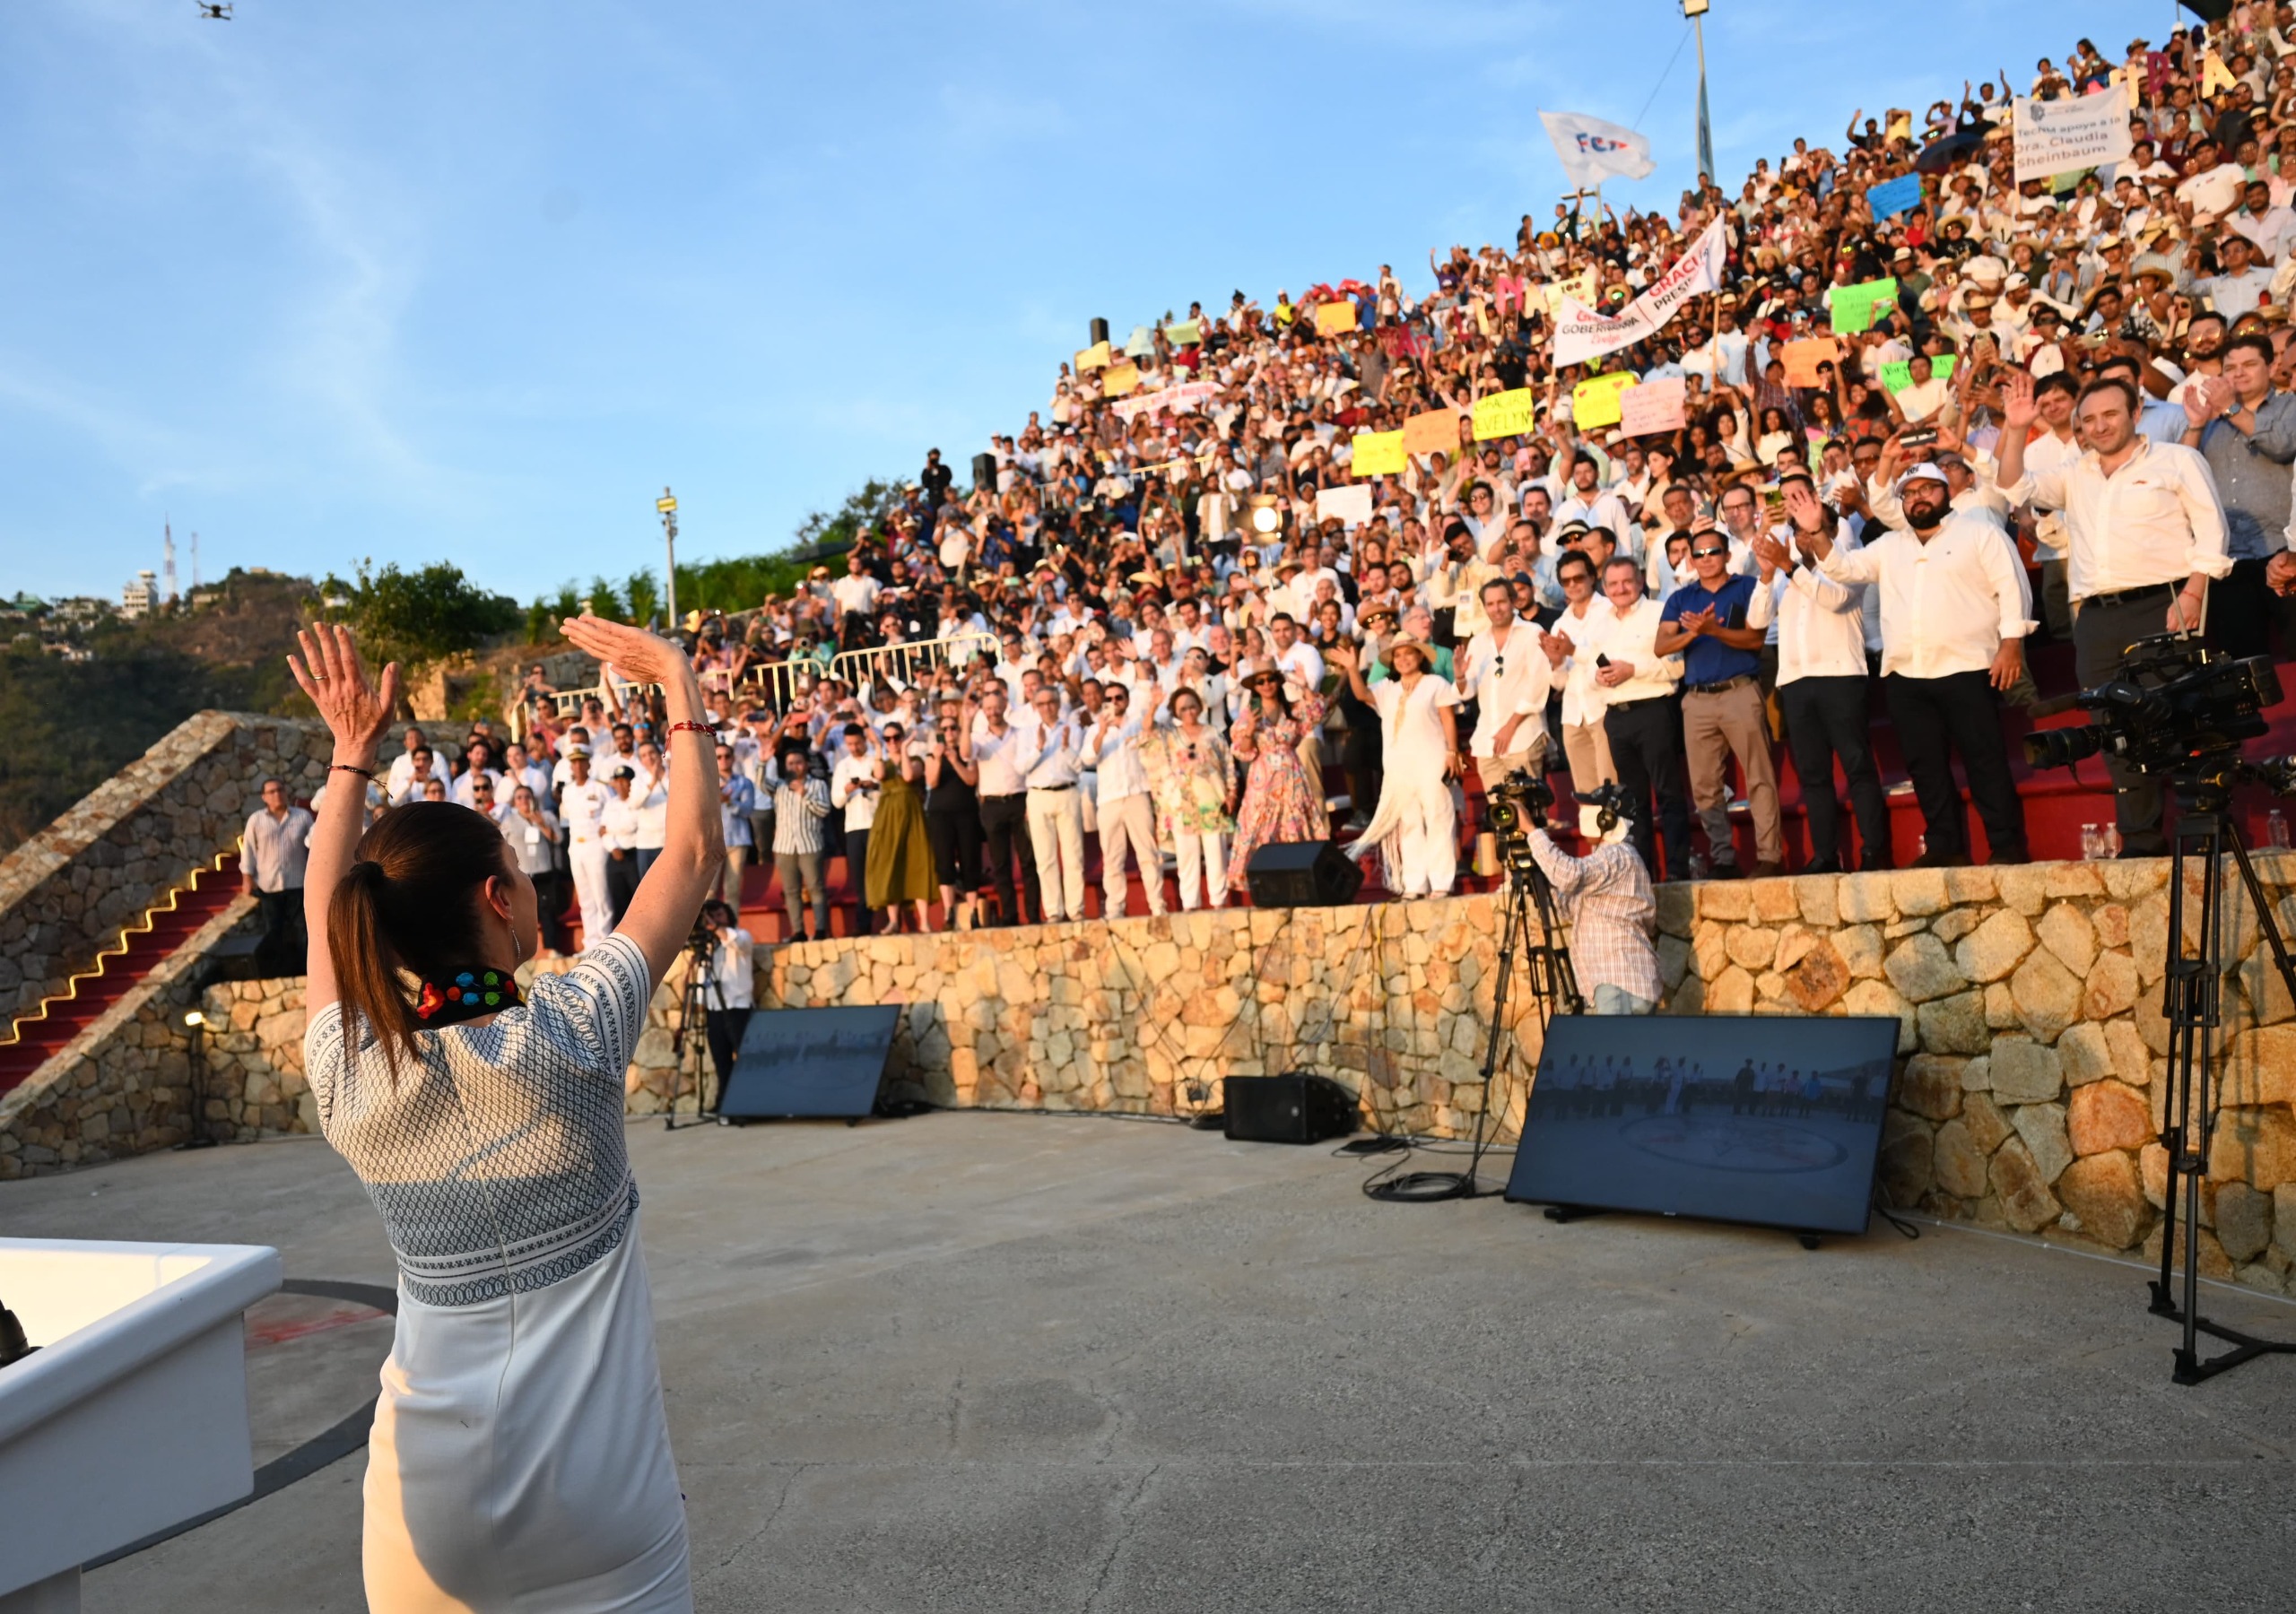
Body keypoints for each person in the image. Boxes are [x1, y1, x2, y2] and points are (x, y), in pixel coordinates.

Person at [292, 612, 718, 1610]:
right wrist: (676, 682)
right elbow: (692, 854)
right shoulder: (570, 1031)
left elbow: (323, 907)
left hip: (419, 1515)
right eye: (522, 876)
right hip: (599, 1506)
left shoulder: (352, 1075)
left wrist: (350, 760)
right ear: (497, 897)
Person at [1997, 370, 2230, 855]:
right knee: (2116, 729)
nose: (2100, 427)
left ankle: (2204, 835)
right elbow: (2015, 486)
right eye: (2090, 420)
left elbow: (2212, 529)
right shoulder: (2075, 473)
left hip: (2166, 604)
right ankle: (2142, 841)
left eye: (2110, 415)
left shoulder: (2177, 460)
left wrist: (2191, 593)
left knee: (2182, 720)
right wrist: (2017, 428)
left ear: (2136, 413)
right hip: (2098, 618)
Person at [1787, 465, 2031, 867]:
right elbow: (1845, 570)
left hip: (1968, 667)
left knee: (1984, 759)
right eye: (1910, 492)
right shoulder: (1888, 546)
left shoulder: (1981, 532)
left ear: (1946, 491)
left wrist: (2011, 644)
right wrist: (1816, 531)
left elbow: (2012, 587)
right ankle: (1944, 845)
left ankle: (2005, 845)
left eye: (1927, 489)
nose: (1918, 497)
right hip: (1907, 674)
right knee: (1925, 766)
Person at [1747, 485, 1891, 872]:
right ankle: (1826, 855)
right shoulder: (1782, 573)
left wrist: (1790, 569)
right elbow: (1757, 623)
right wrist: (1765, 576)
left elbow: (1836, 600)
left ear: (1831, 531)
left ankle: (1875, 851)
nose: (1805, 538)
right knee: (1813, 776)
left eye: (1814, 530)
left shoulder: (1848, 563)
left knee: (1858, 767)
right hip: (1795, 682)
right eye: (1799, 531)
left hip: (1841, 677)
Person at [1655, 515, 1785, 878]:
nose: (1707, 557)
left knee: (1759, 775)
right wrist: (1695, 635)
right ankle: (1724, 859)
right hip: (1696, 700)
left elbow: (1755, 640)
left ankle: (1769, 856)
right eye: (1699, 553)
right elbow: (1661, 646)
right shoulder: (1682, 597)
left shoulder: (1747, 587)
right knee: (1705, 786)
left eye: (1714, 551)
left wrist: (1713, 629)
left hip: (1739, 690)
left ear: (1728, 555)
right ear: (1691, 560)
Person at [2177, 334, 2295, 658]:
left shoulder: (2290, 406)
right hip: (2231, 561)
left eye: (2249, 365)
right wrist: (2198, 424)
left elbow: (2283, 447)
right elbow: (2180, 475)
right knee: (2243, 664)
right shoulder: (2211, 421)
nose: (2238, 373)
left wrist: (2230, 407)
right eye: (2230, 367)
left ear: (2271, 367)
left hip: (2285, 554)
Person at [1584, 558, 1693, 881]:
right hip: (1616, 716)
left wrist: (1634, 670)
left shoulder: (1660, 612)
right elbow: (1589, 673)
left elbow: (1677, 666)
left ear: (1641, 579)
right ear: (1604, 587)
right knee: (1633, 802)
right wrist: (1599, 678)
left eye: (1627, 581)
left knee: (1668, 792)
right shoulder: (1599, 622)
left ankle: (1676, 870)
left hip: (1654, 711)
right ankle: (1642, 874)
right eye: (1613, 584)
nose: (1621, 589)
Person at [1335, 638, 1461, 898]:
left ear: (1419, 657)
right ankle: (1415, 883)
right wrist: (1351, 668)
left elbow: (1448, 718)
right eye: (1398, 655)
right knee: (1409, 822)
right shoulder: (1386, 687)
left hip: (1432, 757)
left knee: (1438, 816)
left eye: (1409, 654)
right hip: (1398, 765)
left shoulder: (1435, 683)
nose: (1403, 659)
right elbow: (1361, 694)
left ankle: (1441, 882)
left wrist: (1452, 751)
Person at [1526, 822, 1661, 1015]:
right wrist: (1542, 881)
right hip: (1617, 983)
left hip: (1620, 981)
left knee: (1614, 1046)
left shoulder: (1616, 855)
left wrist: (1531, 830)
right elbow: (1570, 907)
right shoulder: (1608, 861)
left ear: (1604, 820)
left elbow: (1569, 874)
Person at [1224, 658, 1329, 894]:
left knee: (1294, 826)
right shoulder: (1249, 715)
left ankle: (1298, 880)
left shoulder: (1292, 710)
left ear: (1278, 681)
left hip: (1292, 777)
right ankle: (1265, 884)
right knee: (1260, 828)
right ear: (1255, 686)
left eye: (1270, 679)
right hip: (1263, 781)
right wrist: (1250, 731)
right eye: (1260, 681)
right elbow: (1242, 751)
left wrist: (1304, 687)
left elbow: (1317, 712)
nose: (1266, 684)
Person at [1457, 575, 1553, 795]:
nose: (1496, 609)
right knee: (1501, 816)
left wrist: (1510, 727)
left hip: (1523, 736)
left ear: (1512, 601)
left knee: (1529, 809)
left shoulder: (1532, 632)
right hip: (1486, 742)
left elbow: (1538, 685)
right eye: (1490, 604)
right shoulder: (1477, 642)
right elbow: (1468, 692)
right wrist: (1460, 677)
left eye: (1501, 602)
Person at [1143, 687, 1237, 910]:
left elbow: (1228, 764)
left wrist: (1232, 792)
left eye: (1192, 706)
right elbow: (1147, 730)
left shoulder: (1213, 732)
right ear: (1176, 711)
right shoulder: (1170, 735)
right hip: (1181, 805)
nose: (1189, 711)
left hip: (1212, 801)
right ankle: (1190, 905)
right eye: (1183, 708)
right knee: (1187, 859)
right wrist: (1154, 705)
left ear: (1199, 707)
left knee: (1217, 857)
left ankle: (1218, 902)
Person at [1084, 681, 1169, 918]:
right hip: (1109, 799)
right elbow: (1089, 758)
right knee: (1112, 858)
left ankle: (1157, 905)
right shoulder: (1094, 729)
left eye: (1119, 698)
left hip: (1137, 794)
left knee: (1148, 854)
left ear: (1127, 700)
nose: (1114, 703)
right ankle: (1115, 908)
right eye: (1109, 699)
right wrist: (1102, 731)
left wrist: (1153, 705)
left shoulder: (1137, 723)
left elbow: (1153, 731)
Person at [965, 686, 1040, 926]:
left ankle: (1033, 913)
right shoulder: (978, 737)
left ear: (1004, 707)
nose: (993, 712)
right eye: (988, 709)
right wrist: (966, 722)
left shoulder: (1021, 733)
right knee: (1000, 864)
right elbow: (966, 753)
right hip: (992, 804)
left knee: (1029, 861)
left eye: (997, 707)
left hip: (1020, 800)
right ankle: (1010, 915)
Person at [1015, 684, 1089, 923]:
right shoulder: (1026, 733)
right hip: (1038, 794)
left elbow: (1079, 767)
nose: (1047, 708)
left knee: (1073, 855)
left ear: (1058, 704)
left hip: (1067, 791)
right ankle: (1054, 911)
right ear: (1036, 707)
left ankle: (1075, 909)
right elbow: (1021, 768)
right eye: (1042, 704)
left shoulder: (1072, 729)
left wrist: (1066, 748)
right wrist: (1039, 748)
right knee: (1045, 858)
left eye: (1051, 702)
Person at [863, 722, 936, 933]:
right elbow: (878, 775)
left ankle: (924, 921)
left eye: (896, 737)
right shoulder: (882, 762)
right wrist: (878, 747)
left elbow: (908, 776)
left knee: (917, 861)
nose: (892, 742)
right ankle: (893, 921)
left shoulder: (915, 760)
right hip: (887, 816)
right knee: (890, 863)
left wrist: (904, 750)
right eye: (888, 738)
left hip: (911, 813)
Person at [922, 699, 986, 931]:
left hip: (966, 812)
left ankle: (973, 911)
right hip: (940, 814)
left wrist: (954, 760)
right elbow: (932, 781)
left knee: (970, 860)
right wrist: (939, 759)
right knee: (944, 862)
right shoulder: (932, 755)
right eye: (945, 729)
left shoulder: (968, 752)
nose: (949, 733)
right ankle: (948, 911)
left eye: (953, 728)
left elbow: (971, 780)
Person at [240, 777, 312, 974]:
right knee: (274, 932)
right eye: (271, 792)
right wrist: (247, 877)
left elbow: (314, 847)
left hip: (298, 884)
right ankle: (279, 972)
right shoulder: (256, 820)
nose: (277, 794)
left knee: (304, 930)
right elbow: (248, 850)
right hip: (269, 886)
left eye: (280, 789)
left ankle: (309, 971)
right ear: (264, 797)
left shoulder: (302, 817)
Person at [695, 898, 754, 1111]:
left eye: (719, 915)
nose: (715, 921)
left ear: (728, 915)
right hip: (715, 1011)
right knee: (721, 1060)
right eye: (711, 917)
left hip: (738, 1007)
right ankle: (724, 1101)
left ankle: (748, 1102)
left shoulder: (742, 936)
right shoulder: (709, 946)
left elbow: (736, 942)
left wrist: (717, 927)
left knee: (745, 1058)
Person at [770, 750, 831, 941]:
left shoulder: (818, 784)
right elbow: (760, 784)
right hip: (785, 845)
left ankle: (821, 930)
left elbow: (824, 810)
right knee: (791, 890)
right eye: (790, 763)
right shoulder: (780, 786)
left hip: (810, 843)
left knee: (816, 888)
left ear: (806, 764)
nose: (794, 766)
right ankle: (799, 931)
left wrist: (803, 794)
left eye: (798, 762)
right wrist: (763, 762)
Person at [500, 783, 568, 957]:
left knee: (547, 909)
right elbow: (502, 846)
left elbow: (558, 838)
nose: (524, 800)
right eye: (519, 797)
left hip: (544, 870)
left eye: (527, 796)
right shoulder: (509, 821)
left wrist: (542, 824)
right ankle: (519, 952)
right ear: (514, 802)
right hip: (522, 874)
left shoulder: (545, 816)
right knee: (521, 913)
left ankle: (552, 948)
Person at [558, 744, 614, 941]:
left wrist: (607, 827)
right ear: (570, 767)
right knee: (585, 896)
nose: (578, 766)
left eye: (582, 762)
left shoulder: (599, 787)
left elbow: (613, 809)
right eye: (574, 763)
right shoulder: (568, 791)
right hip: (577, 845)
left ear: (588, 764)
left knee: (601, 894)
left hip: (595, 844)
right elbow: (566, 819)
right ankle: (590, 940)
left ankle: (604, 936)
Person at [830, 724, 881, 933]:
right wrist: (847, 789)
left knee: (878, 873)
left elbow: (887, 787)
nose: (854, 747)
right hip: (854, 827)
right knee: (859, 877)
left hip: (876, 823)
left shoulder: (875, 760)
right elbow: (836, 801)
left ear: (864, 740)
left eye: (857, 743)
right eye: (850, 744)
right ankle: (863, 924)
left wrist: (873, 785)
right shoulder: (843, 766)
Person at [716, 742, 757, 907]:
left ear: (733, 758)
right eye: (719, 757)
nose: (723, 760)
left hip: (738, 839)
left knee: (732, 890)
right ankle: (709, 930)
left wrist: (729, 801)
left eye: (727, 756)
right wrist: (715, 797)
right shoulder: (706, 783)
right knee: (708, 890)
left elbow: (748, 810)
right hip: (714, 841)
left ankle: (731, 928)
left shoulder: (744, 783)